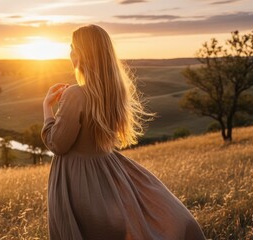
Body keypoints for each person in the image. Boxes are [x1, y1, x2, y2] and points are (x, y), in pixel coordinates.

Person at [41, 24, 207, 240]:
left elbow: (57, 145)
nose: (70, 53)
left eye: (73, 48)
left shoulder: (76, 94)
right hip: (109, 175)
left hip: (77, 181)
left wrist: (47, 108)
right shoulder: (114, 94)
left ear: (83, 54)